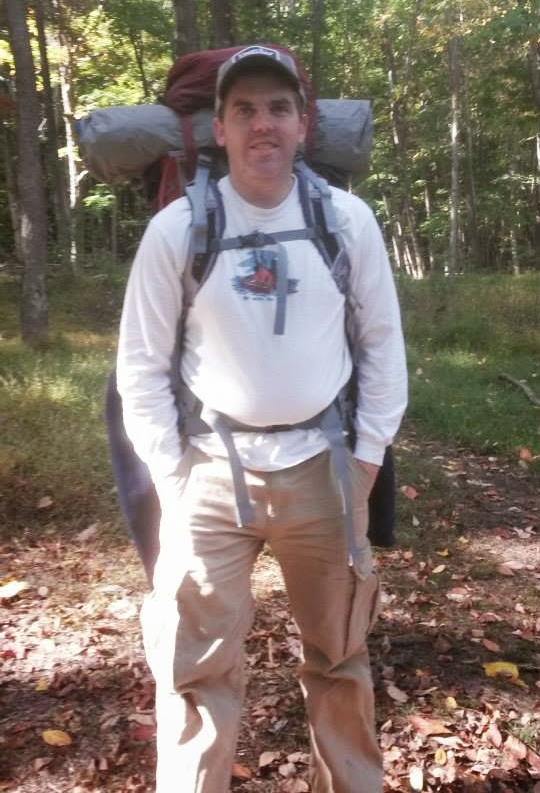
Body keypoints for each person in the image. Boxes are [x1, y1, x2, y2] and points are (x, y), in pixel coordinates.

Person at [116, 44, 408, 793]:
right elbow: (139, 366)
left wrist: (368, 457)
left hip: (327, 470)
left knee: (339, 657)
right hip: (208, 475)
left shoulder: (346, 221)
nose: (263, 124)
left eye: (279, 108)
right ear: (218, 128)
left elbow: (383, 345)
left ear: (304, 124)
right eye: (244, 109)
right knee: (194, 669)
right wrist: (172, 476)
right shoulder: (177, 230)